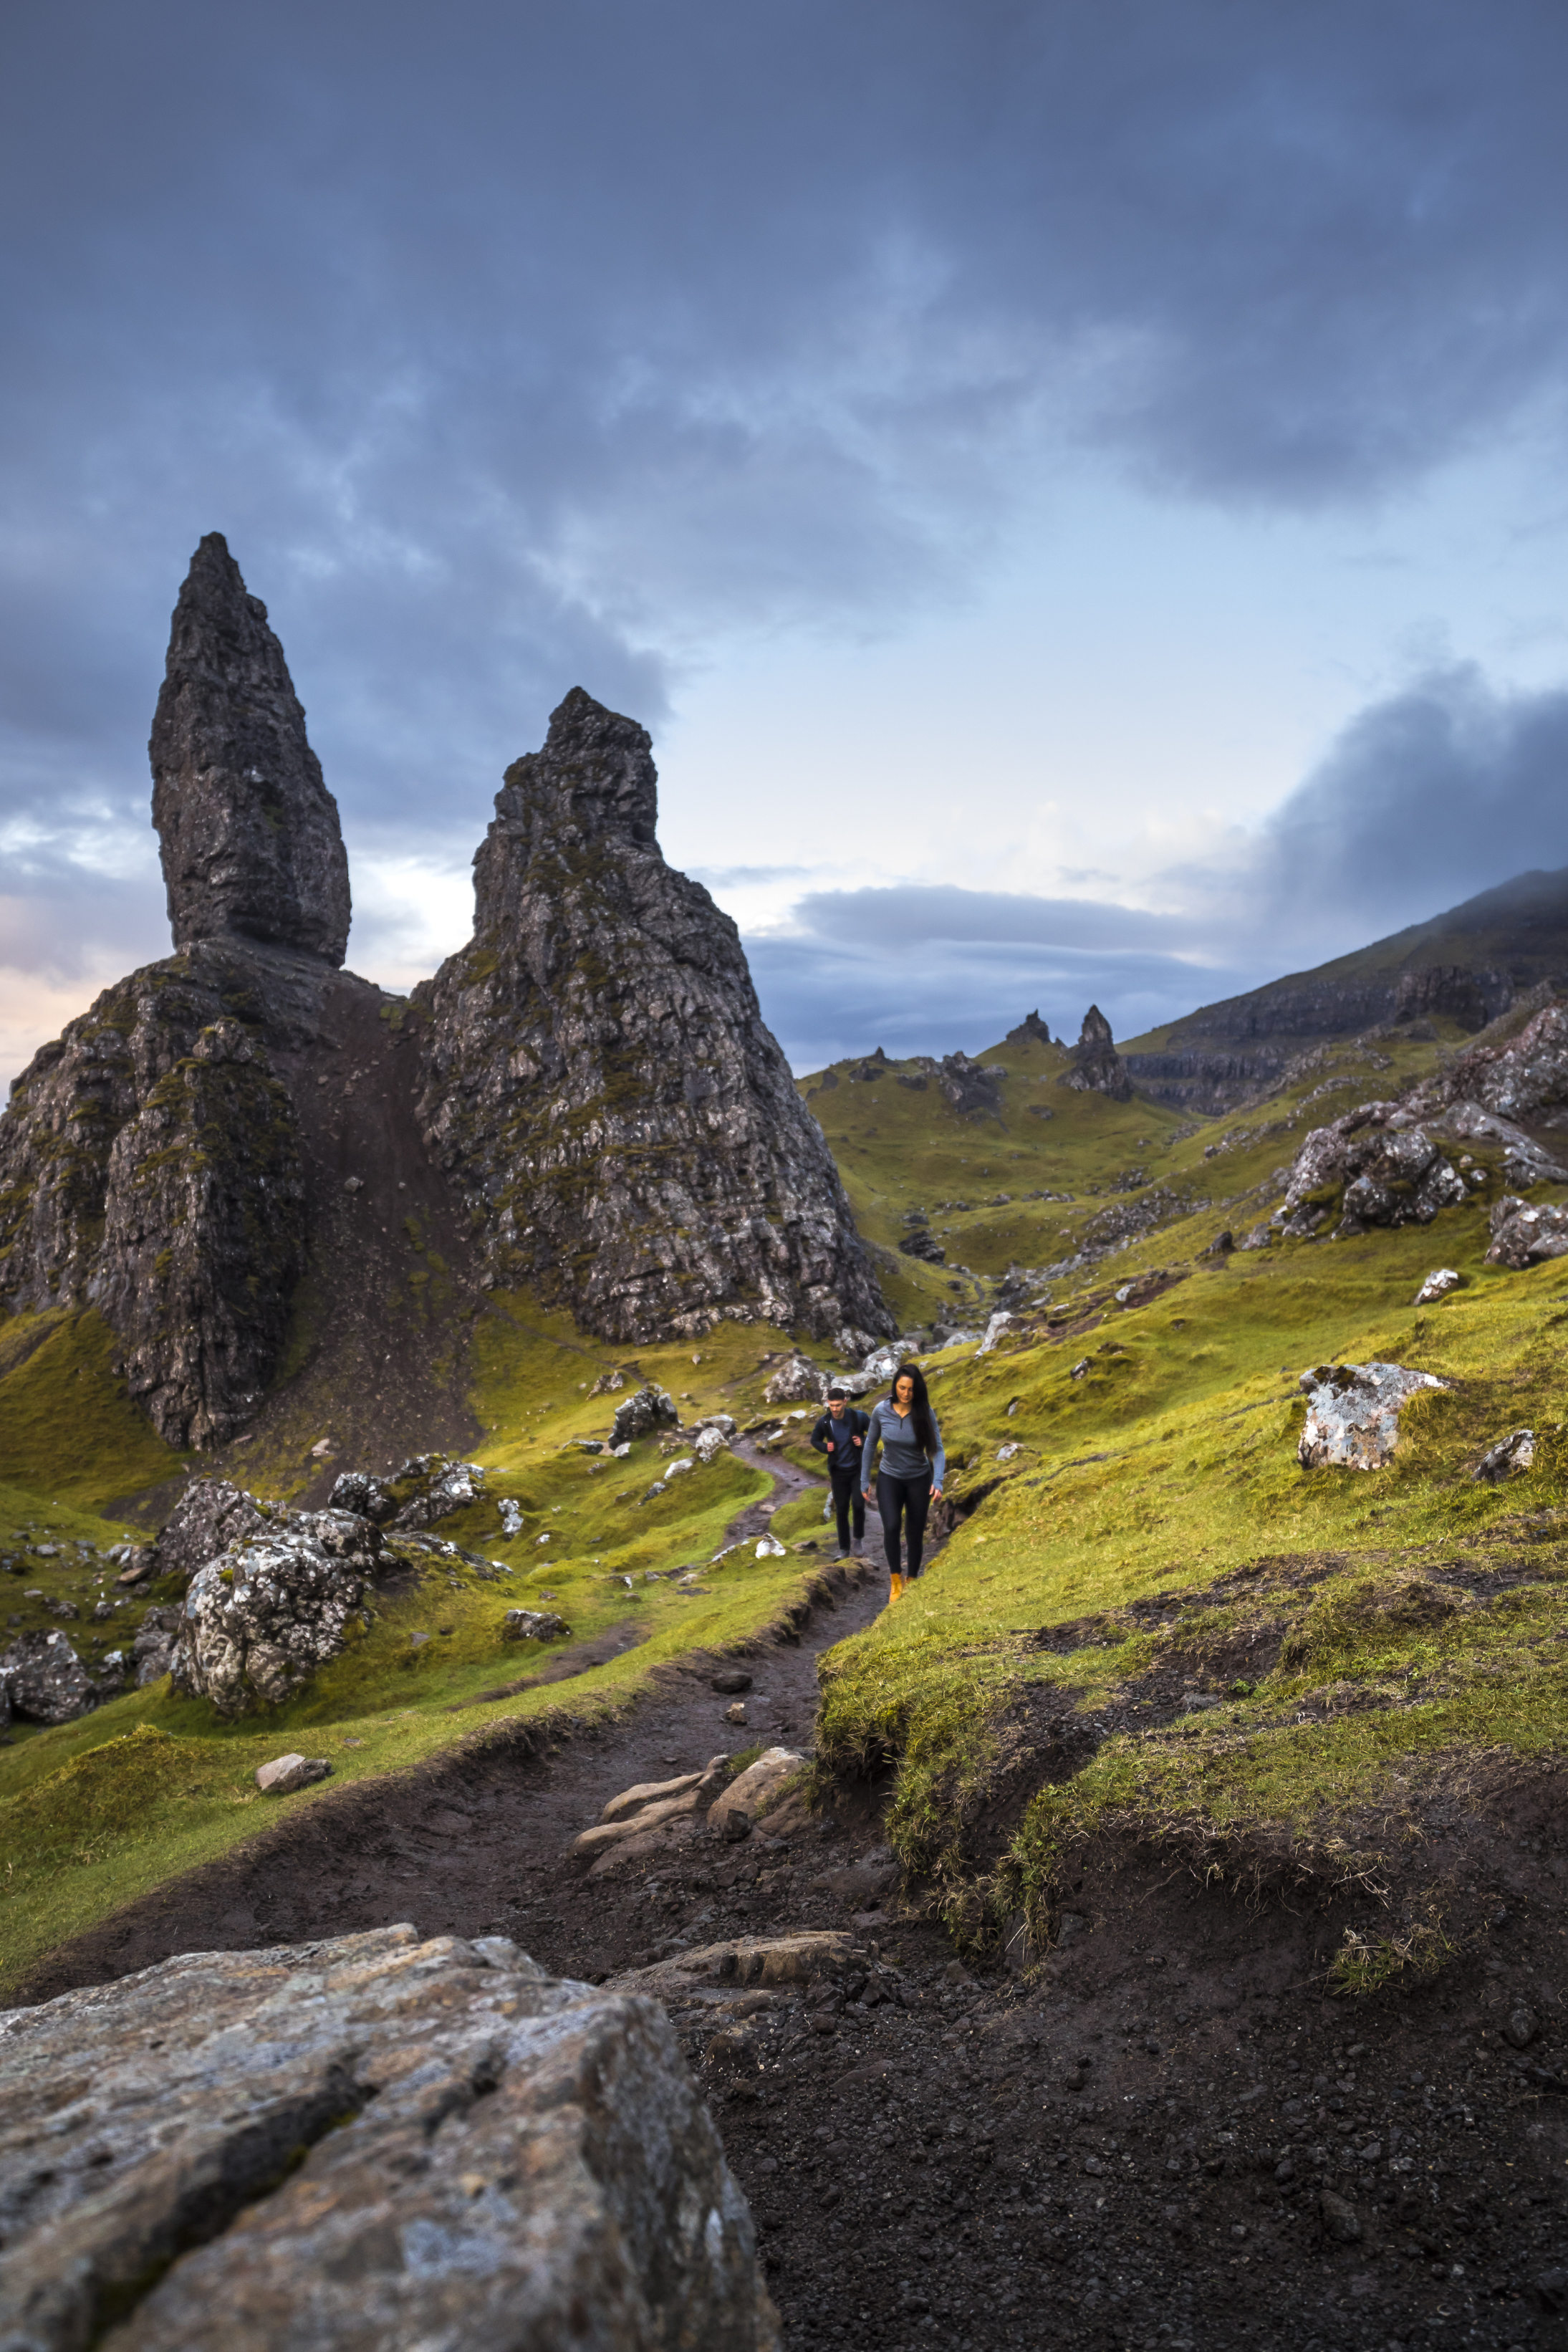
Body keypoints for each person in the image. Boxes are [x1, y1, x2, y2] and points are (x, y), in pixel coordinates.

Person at [860, 1360, 945, 1602]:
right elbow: (869, 1445)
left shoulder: (925, 1412)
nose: (906, 1394)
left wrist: (937, 1481)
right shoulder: (881, 1411)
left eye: (911, 1389)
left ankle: (912, 1580)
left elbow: (937, 1450)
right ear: (895, 1386)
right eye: (902, 1388)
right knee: (891, 1526)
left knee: (914, 1533)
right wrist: (864, 1479)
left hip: (919, 1479)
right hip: (890, 1478)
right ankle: (896, 1581)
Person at [810, 1386, 870, 1557]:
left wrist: (863, 1441)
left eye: (838, 1405)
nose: (835, 1409)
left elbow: (876, 1430)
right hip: (838, 1472)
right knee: (842, 1509)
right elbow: (814, 1440)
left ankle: (857, 1539)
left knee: (858, 1505)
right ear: (828, 1403)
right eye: (831, 1405)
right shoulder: (825, 1422)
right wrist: (824, 1447)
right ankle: (844, 1550)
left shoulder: (858, 1417)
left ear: (845, 1402)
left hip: (857, 1469)